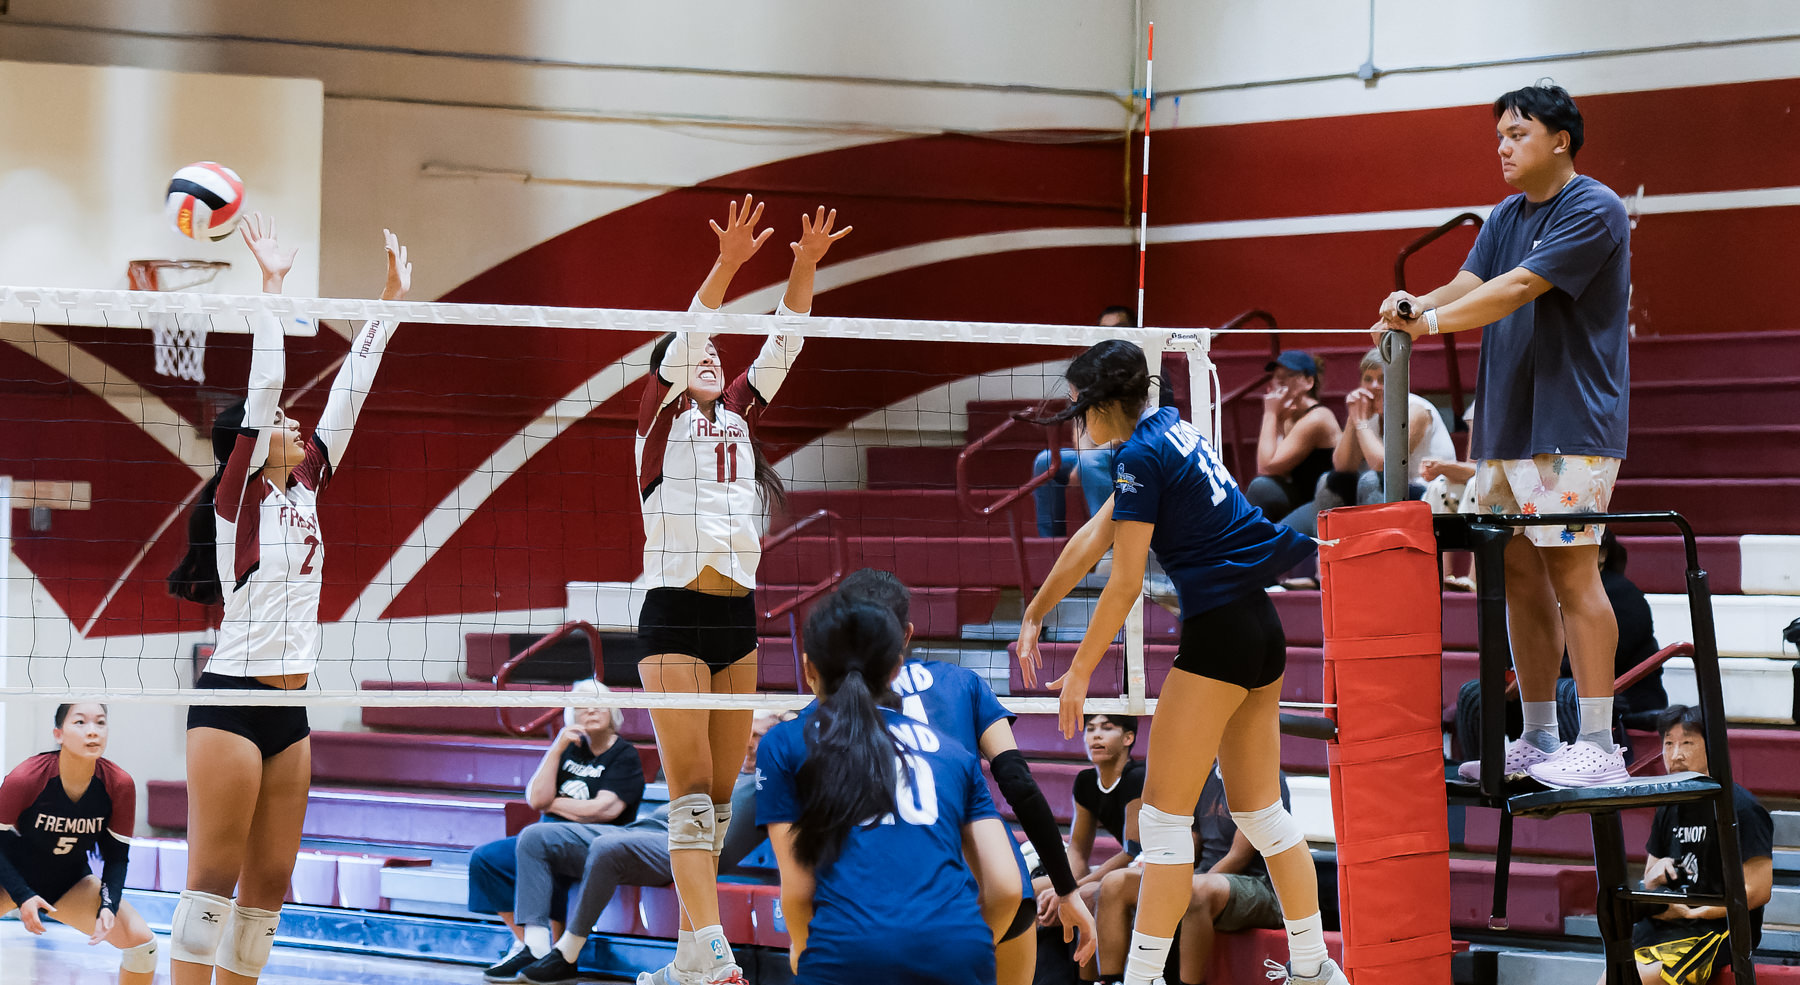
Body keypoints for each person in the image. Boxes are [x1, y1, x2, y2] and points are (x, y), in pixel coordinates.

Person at [1016, 340, 1345, 985]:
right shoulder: (1173, 431)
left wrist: (1080, 670)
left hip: (1219, 635)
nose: (1081, 424)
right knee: (1262, 814)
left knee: (1164, 826)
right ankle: (1314, 967)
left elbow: (1126, 580)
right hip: (1259, 627)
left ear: (1109, 405)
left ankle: (1137, 981)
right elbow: (1093, 536)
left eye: (1084, 410)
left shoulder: (1139, 455)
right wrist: (1036, 608)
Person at [164, 214, 411, 985]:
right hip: (231, 700)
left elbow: (350, 395)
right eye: (281, 423)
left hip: (289, 706)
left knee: (268, 888)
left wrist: (387, 306)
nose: (297, 422)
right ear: (252, 438)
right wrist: (270, 291)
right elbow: (267, 387)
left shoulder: (306, 488)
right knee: (211, 881)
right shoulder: (233, 504)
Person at [1376, 82, 1632, 788]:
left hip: (1570, 423)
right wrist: (1417, 303)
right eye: (1498, 137)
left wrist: (1427, 326)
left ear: (1561, 139)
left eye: (1517, 133)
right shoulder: (1505, 214)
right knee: (1518, 575)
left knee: (1573, 574)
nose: (1503, 147)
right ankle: (1543, 734)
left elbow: (1518, 287)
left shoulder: (1595, 207)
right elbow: (1471, 279)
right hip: (1505, 422)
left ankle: (1603, 744)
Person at [634, 195, 850, 985]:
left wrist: (800, 268)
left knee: (722, 802)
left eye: (718, 357)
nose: (713, 358)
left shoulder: (738, 418)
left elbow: (785, 343)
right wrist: (727, 266)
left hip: (737, 617)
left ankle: (689, 954)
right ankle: (716, 950)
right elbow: (693, 330)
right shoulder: (658, 423)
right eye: (697, 355)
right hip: (673, 614)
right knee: (690, 796)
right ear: (669, 371)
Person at [835, 568, 1098, 985]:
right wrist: (1067, 889)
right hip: (997, 877)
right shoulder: (964, 681)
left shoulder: (828, 707)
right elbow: (1019, 784)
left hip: (905, 894)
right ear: (906, 634)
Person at [760, 595, 1022, 985]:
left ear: (808, 667)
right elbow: (1006, 888)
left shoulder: (785, 743)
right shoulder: (954, 753)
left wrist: (802, 947)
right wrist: (962, 946)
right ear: (897, 667)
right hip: (958, 951)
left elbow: (799, 891)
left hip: (847, 953)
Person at [488, 680, 647, 983]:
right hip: (551, 838)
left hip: (600, 843)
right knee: (487, 859)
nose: (591, 709)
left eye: (598, 702)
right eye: (582, 704)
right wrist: (557, 746)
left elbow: (605, 810)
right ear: (570, 712)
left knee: (539, 842)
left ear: (613, 710)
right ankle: (528, 944)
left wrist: (554, 803)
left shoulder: (625, 755)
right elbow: (536, 798)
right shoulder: (568, 748)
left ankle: (548, 952)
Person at [1608, 705, 1772, 985]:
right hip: (1668, 921)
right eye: (1669, 743)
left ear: (1713, 747)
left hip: (1716, 927)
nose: (1676, 754)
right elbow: (1649, 880)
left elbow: (1758, 890)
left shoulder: (1742, 809)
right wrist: (1658, 872)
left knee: (1641, 979)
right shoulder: (1669, 806)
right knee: (1613, 976)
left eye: (1687, 743)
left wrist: (1701, 910)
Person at [0, 703, 157, 984]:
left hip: (69, 883)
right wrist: (22, 894)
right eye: (80, 722)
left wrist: (109, 906)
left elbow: (117, 857)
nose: (92, 732)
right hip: (9, 877)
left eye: (100, 723)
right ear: (58, 734)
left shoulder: (119, 784)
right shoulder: (26, 778)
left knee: (142, 945)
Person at [1094, 765, 1292, 985]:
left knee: (1194, 891)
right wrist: (1161, 874)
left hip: (1259, 885)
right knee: (1116, 882)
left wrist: (1182, 889)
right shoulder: (1204, 774)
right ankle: (1110, 981)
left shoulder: (1262, 774)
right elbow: (1192, 841)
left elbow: (1239, 857)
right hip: (1203, 878)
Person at [1034, 307, 1139, 538]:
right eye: (1104, 330)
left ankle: (1107, 543)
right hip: (1097, 452)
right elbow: (1080, 423)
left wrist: (1085, 461)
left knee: (1091, 461)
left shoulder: (1144, 367)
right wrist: (1081, 458)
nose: (1110, 335)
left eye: (1118, 329)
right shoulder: (1088, 370)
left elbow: (1131, 432)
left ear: (1132, 332)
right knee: (1045, 461)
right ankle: (1051, 544)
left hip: (1134, 450)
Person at [1322, 346, 1455, 509]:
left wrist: (1361, 423)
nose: (1374, 386)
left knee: (1372, 480)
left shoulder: (1415, 410)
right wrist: (1353, 418)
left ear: (1398, 381)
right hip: (1388, 490)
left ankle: (1373, 534)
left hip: (1429, 493)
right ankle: (1326, 534)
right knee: (1330, 480)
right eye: (1368, 379)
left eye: (1382, 379)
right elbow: (1343, 466)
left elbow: (1385, 465)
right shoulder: (1367, 413)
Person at [1243, 351, 1340, 532]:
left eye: (1288, 376)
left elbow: (1266, 466)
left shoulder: (1317, 418)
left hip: (1328, 501)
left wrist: (1270, 413)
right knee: (1260, 487)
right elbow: (1272, 472)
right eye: (1276, 377)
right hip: (1302, 494)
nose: (1280, 382)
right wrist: (1278, 420)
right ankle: (1242, 547)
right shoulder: (1290, 416)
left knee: (1274, 539)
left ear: (1309, 382)